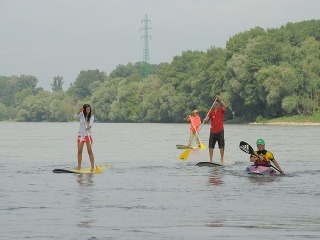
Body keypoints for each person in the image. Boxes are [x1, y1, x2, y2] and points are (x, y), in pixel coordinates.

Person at [204, 95, 227, 163]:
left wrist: (220, 99)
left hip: (220, 131)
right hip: (213, 132)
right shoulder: (211, 112)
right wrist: (205, 120)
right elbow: (207, 119)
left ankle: (222, 159)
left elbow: (225, 106)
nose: (215, 105)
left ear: (219, 105)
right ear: (213, 105)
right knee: (211, 146)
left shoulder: (221, 110)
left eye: (217, 104)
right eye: (214, 104)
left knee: (221, 146)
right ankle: (211, 160)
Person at [74, 104, 95, 172]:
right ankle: (79, 166)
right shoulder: (81, 115)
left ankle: (92, 167)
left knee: (89, 151)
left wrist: (88, 126)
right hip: (81, 135)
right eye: (87, 109)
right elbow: (75, 117)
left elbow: (90, 125)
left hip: (87, 135)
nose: (88, 111)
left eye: (89, 109)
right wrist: (79, 112)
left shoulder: (91, 117)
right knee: (79, 151)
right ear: (84, 109)